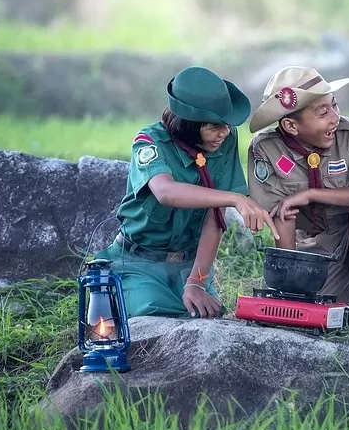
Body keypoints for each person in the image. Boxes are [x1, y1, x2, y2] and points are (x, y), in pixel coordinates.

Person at [95, 66, 276, 319]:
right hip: (139, 264)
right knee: (154, 317)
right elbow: (165, 192)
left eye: (227, 125)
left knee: (206, 320)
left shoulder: (224, 139)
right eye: (214, 126)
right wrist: (236, 198)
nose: (223, 132)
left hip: (190, 266)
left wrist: (197, 282)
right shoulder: (150, 141)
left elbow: (215, 220)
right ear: (189, 124)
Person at [246, 66, 349, 318]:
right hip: (312, 248)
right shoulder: (266, 149)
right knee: (310, 306)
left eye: (334, 106)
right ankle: (340, 294)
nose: (335, 117)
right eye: (323, 112)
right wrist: (288, 284)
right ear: (291, 126)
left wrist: (313, 195)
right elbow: (281, 215)